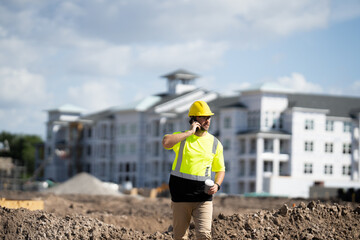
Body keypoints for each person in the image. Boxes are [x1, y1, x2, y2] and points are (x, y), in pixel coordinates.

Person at [162, 100, 225, 240]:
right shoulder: (183, 138)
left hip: (203, 197)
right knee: (180, 237)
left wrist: (217, 185)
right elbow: (166, 142)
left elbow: (220, 169)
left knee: (204, 235)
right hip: (181, 196)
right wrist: (190, 132)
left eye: (209, 117)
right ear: (194, 119)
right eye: (204, 117)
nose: (208, 121)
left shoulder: (215, 143)